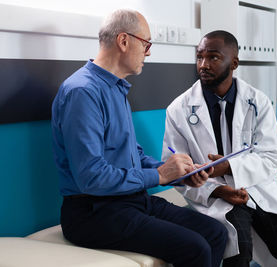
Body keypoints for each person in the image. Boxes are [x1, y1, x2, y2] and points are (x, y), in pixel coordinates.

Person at [51, 10, 228, 267]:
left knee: (215, 232)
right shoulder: (83, 93)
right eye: (146, 44)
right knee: (195, 248)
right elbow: (91, 177)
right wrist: (160, 175)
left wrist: (180, 172)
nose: (149, 52)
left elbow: (131, 156)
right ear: (124, 41)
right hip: (92, 213)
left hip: (129, 201)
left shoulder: (115, 88)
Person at [162, 30, 277, 267]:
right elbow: (176, 171)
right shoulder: (178, 110)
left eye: (213, 57)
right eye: (199, 57)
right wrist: (216, 190)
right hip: (214, 195)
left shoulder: (257, 102)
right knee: (238, 247)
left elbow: (272, 157)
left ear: (234, 63)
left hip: (258, 189)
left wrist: (228, 166)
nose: (203, 64)